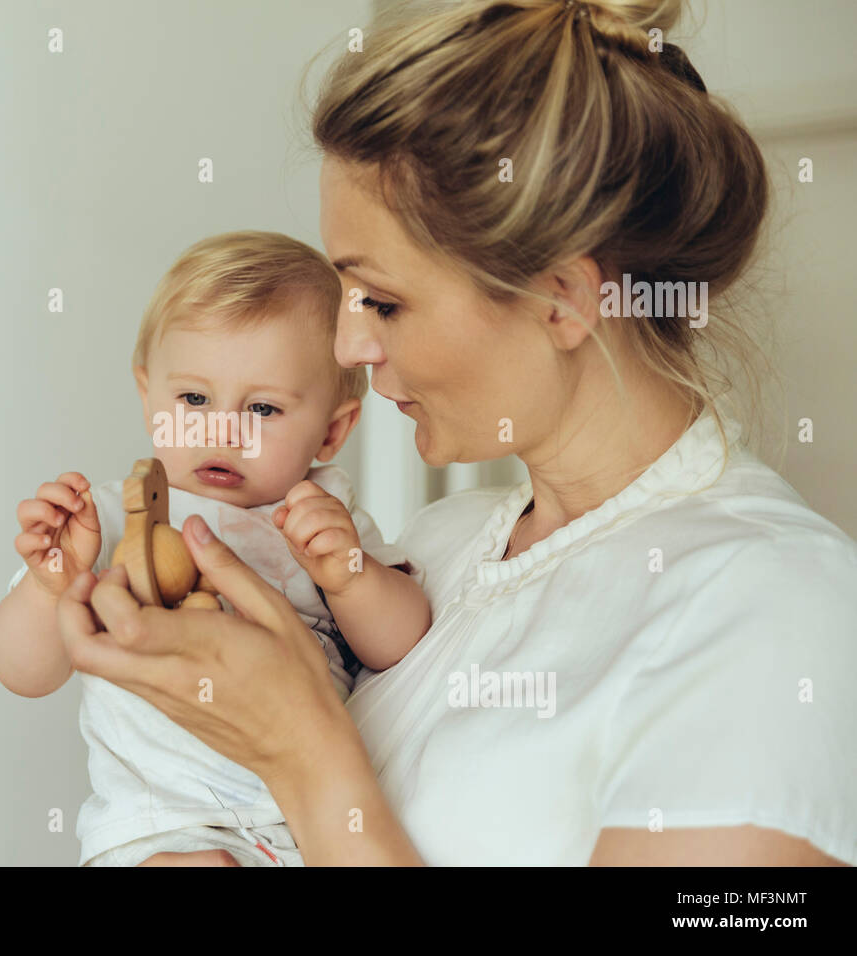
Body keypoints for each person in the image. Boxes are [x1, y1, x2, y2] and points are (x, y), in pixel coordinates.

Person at [50, 0, 857, 865]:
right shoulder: (431, 551)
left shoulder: (773, 608)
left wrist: (303, 750)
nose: (349, 345)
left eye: (383, 301)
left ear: (563, 301)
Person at [0, 231, 432, 866]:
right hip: (162, 827)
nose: (221, 429)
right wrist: (52, 584)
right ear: (149, 399)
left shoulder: (322, 519)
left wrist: (351, 578)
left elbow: (401, 646)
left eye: (263, 409)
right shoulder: (110, 520)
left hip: (307, 823)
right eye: (194, 399)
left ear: (332, 431)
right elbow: (23, 674)